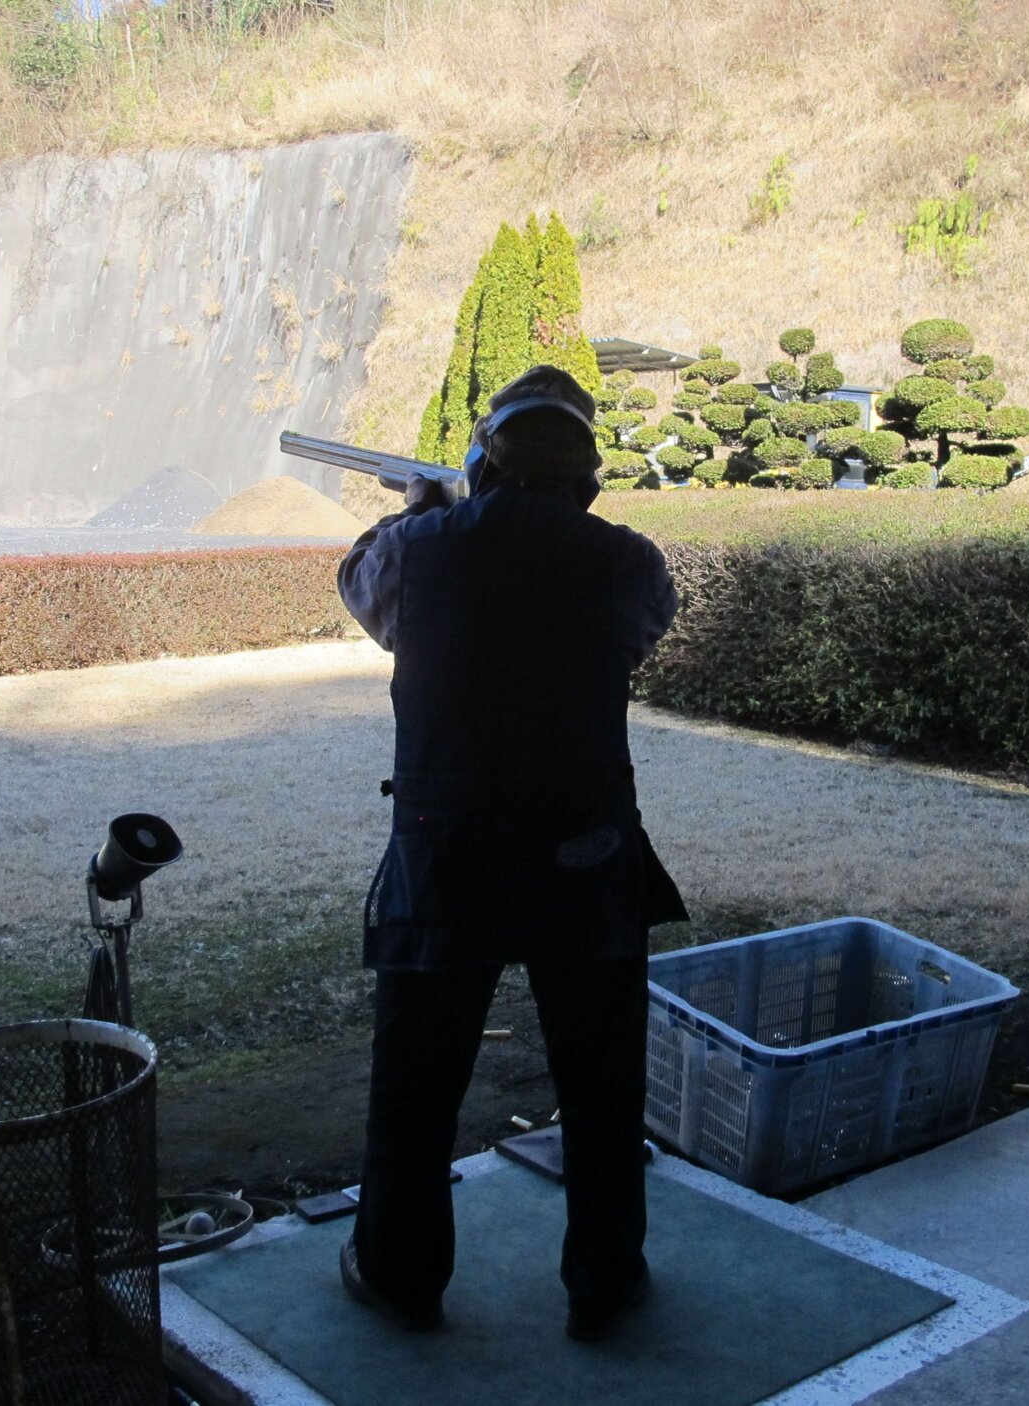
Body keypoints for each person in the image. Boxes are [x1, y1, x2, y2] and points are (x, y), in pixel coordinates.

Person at [334, 365, 687, 1341]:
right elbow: (634, 634)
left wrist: (422, 512)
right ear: (585, 474)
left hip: (446, 848)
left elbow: (364, 591)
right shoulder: (628, 561)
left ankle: (400, 1275)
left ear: (484, 461)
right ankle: (604, 1284)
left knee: (416, 1081)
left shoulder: (415, 548)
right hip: (587, 847)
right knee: (602, 1084)